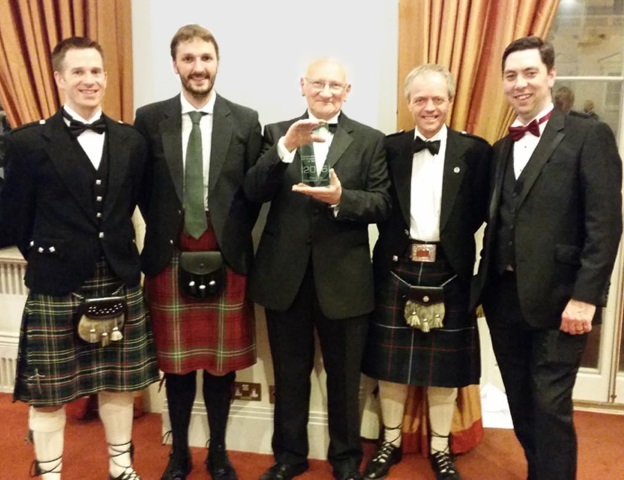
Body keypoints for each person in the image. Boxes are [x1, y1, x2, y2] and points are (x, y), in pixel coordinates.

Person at [0, 37, 160, 479]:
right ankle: (49, 472)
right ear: (58, 79)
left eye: (95, 72)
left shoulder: (131, 141)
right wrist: (47, 256)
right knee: (48, 391)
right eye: (78, 72)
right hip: (57, 281)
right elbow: (13, 217)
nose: (89, 80)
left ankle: (121, 466)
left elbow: (145, 205)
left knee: (118, 383)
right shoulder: (28, 143)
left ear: (106, 77)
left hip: (118, 275)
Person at [474, 36, 622, 480]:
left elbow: (605, 225)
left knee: (550, 404)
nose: (520, 83)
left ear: (551, 75)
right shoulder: (501, 149)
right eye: (511, 75)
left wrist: (586, 298)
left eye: (530, 73)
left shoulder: (587, 134)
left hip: (562, 302)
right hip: (504, 299)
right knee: (519, 400)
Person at [244, 58, 391, 480]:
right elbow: (252, 191)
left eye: (336, 86)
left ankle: (345, 459)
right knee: (290, 375)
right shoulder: (276, 134)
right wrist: (285, 148)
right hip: (284, 276)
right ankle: (289, 456)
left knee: (345, 379)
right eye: (318, 83)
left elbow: (382, 204)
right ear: (302, 86)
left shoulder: (369, 140)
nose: (326, 92)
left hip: (344, 279)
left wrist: (344, 199)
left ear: (348, 92)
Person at [134, 24, 262, 480]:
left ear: (217, 62)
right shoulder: (149, 119)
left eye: (205, 58)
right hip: (170, 254)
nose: (198, 67)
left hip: (226, 255)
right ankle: (179, 453)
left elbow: (254, 190)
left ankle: (219, 451)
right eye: (188, 59)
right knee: (179, 366)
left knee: (221, 367)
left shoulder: (245, 120)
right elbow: (138, 187)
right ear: (175, 65)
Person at [361, 64, 491, 480]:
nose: (429, 107)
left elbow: (482, 212)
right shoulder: (390, 148)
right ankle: (390, 443)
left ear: (450, 101)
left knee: (445, 370)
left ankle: (440, 448)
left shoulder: (476, 151)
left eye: (438, 99)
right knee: (391, 367)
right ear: (409, 102)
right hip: (396, 267)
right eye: (420, 99)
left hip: (449, 269)